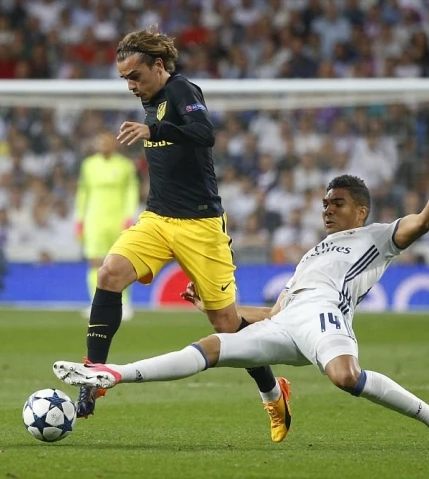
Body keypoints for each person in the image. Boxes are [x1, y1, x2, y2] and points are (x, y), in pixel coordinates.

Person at [54, 133, 429, 450]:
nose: (327, 209)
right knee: (213, 345)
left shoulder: (377, 237)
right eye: (325, 203)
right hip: (288, 323)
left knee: (345, 377)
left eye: (337, 203)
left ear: (361, 210)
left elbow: (426, 220)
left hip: (324, 318)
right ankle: (114, 374)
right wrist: (213, 306)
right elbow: (275, 312)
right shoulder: (313, 253)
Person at [77, 25, 291, 443]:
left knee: (227, 325)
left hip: (200, 225)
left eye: (135, 76)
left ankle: (272, 392)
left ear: (158, 65)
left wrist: (154, 131)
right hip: (157, 219)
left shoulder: (181, 90)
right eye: (124, 79)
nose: (130, 85)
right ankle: (93, 375)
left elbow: (205, 134)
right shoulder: (149, 98)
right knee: (109, 274)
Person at [75, 132, 139, 321]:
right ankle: (96, 303)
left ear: (114, 144)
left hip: (118, 219)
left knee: (122, 262)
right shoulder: (88, 165)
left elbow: (131, 191)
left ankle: (123, 303)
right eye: (99, 142)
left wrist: (129, 215)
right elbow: (83, 192)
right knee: (95, 262)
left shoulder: (125, 165)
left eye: (106, 142)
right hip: (94, 219)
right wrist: (79, 218)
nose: (102, 145)